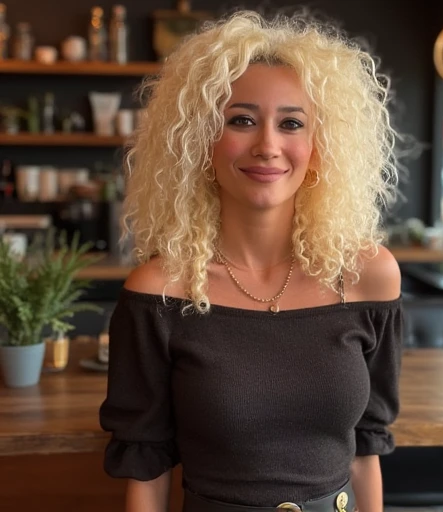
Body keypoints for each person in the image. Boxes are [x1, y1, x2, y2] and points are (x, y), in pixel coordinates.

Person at [99, 10, 403, 512]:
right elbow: (147, 470)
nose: (268, 146)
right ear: (200, 142)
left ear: (319, 147)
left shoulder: (369, 276)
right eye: (241, 120)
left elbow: (367, 446)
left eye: (291, 124)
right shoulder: (158, 291)